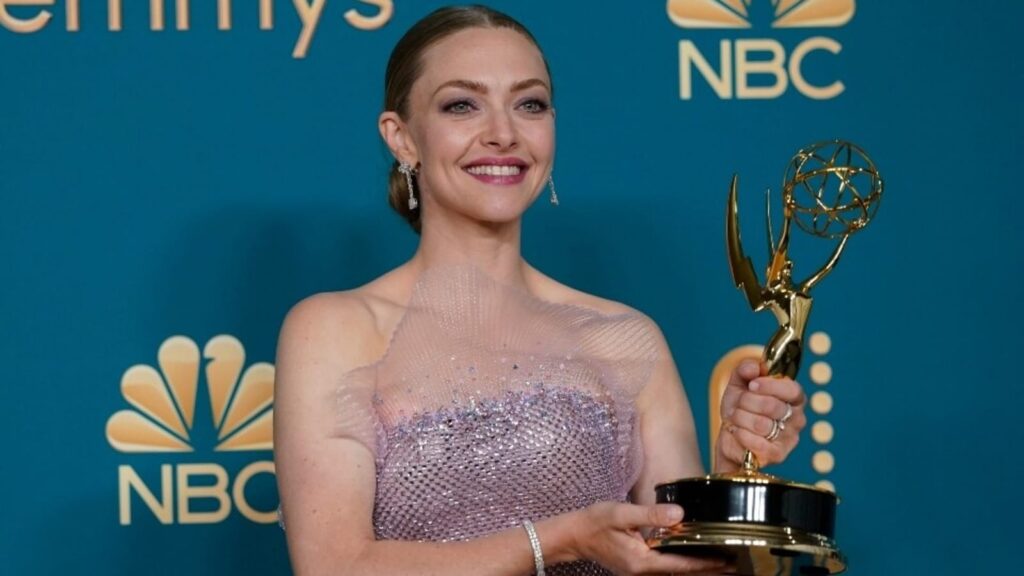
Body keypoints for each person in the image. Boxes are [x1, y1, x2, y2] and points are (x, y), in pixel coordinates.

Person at [273, 5, 806, 575]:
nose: (503, 134)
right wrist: (562, 539)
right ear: (402, 138)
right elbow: (332, 565)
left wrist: (729, 479)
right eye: (461, 105)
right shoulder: (334, 329)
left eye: (529, 104)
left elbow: (687, 567)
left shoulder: (624, 337)